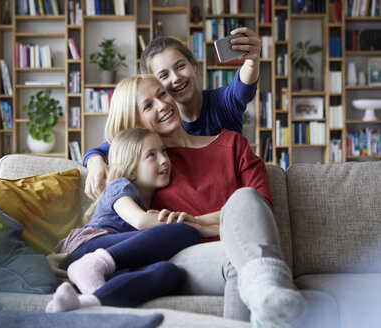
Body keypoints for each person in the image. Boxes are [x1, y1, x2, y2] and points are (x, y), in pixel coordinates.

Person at [97, 74, 306, 328]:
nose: (162, 105)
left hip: (245, 249)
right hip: (185, 257)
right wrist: (94, 158)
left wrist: (195, 223)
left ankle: (267, 292)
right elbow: (119, 157)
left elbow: (259, 210)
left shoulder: (233, 145)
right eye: (148, 105)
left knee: (246, 199)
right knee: (237, 260)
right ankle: (269, 291)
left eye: (162, 94)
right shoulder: (150, 165)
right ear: (135, 123)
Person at [83, 27, 262, 200]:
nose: (176, 78)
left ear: (193, 65)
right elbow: (110, 145)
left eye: (180, 66)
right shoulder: (155, 129)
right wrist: (95, 162)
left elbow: (242, 87)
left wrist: (252, 61)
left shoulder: (222, 103)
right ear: (154, 82)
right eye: (164, 76)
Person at [45, 128, 202, 313]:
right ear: (132, 169)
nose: (163, 160)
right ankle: (90, 266)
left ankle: (90, 302)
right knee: (185, 232)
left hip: (106, 265)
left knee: (168, 272)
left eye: (164, 151)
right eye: (151, 155)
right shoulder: (119, 186)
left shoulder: (149, 204)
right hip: (85, 248)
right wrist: (200, 227)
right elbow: (141, 221)